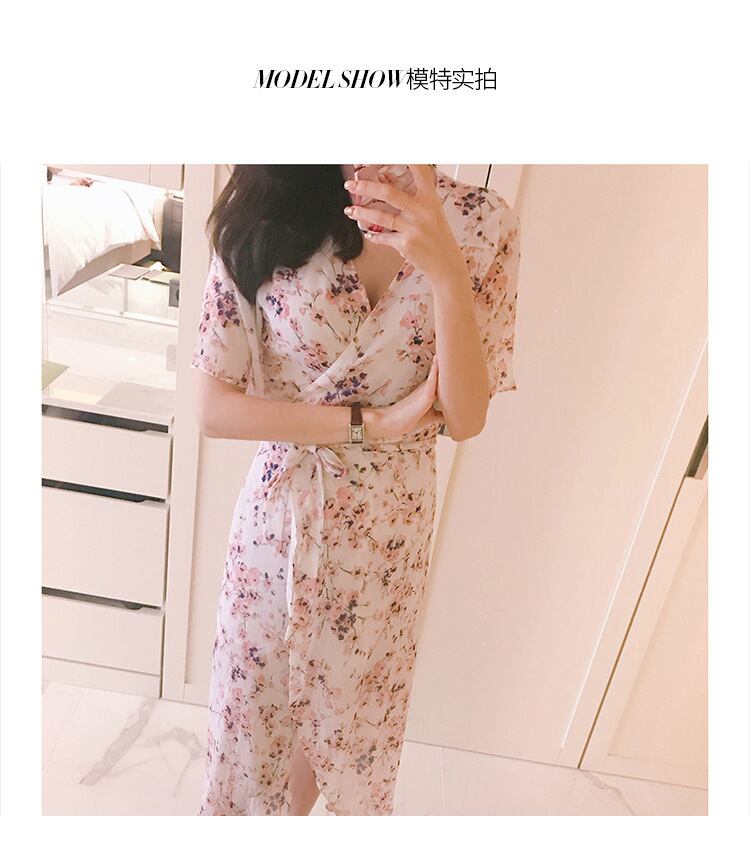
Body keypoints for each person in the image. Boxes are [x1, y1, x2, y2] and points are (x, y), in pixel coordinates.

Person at [191, 164, 521, 815]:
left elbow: (466, 417)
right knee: (252, 719)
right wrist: (370, 424)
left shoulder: (484, 223)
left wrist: (446, 268)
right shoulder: (272, 194)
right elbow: (213, 408)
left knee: (341, 726)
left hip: (386, 539)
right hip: (280, 519)